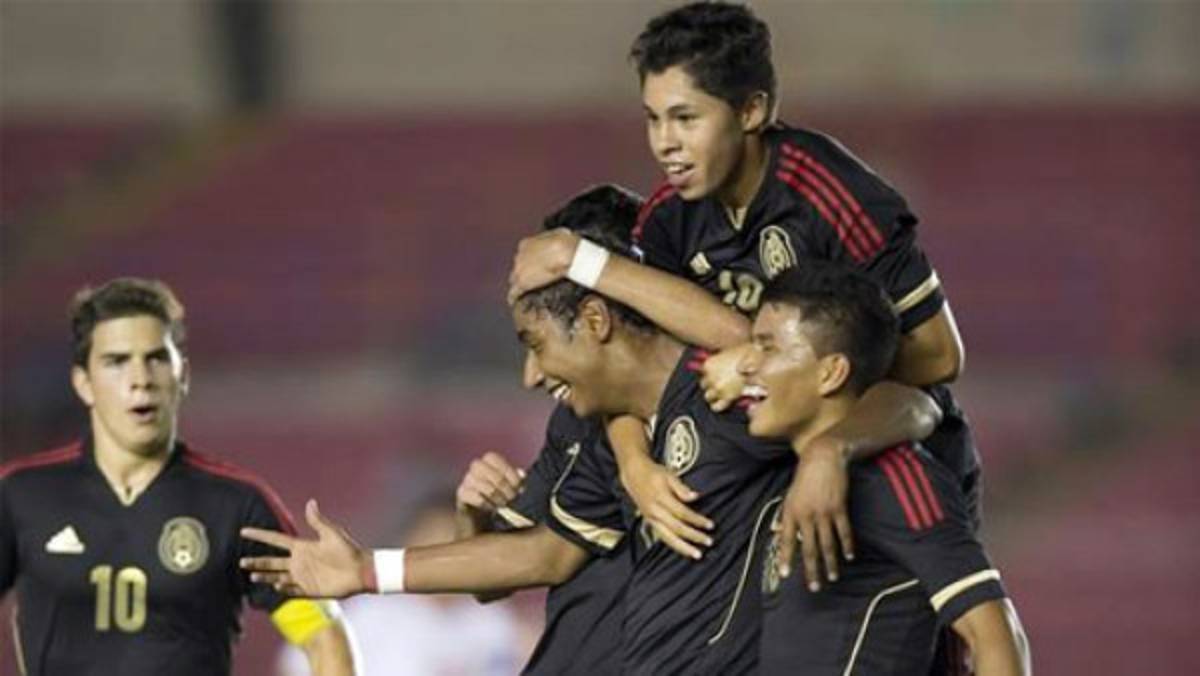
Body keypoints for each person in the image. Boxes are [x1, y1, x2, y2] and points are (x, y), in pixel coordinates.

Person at [240, 186, 938, 673]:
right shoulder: (588, 428)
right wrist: (367, 569)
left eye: (534, 343)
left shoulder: (738, 397)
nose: (529, 374)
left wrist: (827, 455)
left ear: (599, 317)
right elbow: (540, 557)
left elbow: (914, 402)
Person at [508, 0, 978, 620]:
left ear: (752, 111)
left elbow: (940, 357)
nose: (664, 144)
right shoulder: (669, 219)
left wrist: (817, 431)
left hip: (892, 453)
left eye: (685, 118)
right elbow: (634, 365)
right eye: (652, 120)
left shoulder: (834, 194)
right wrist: (634, 465)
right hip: (776, 471)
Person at [0, 278, 355, 676]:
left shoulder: (237, 506)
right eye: (117, 361)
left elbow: (323, 635)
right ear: (84, 383)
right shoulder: (21, 496)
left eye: (156, 358)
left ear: (182, 374)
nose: (141, 378)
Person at [738, 262, 1030, 675]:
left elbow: (997, 635)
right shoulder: (799, 479)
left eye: (767, 347)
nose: (746, 365)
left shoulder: (896, 477)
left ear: (831, 372)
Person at [277, 489, 521, 676]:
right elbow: (295, 666)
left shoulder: (492, 622)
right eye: (435, 541)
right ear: (411, 543)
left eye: (458, 544)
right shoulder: (368, 611)